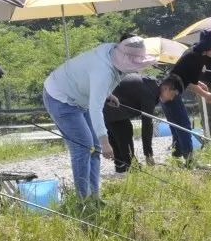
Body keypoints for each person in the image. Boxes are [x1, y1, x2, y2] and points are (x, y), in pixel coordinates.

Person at [44, 37, 158, 202]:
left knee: (94, 147)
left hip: (79, 98)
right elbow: (96, 108)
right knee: (84, 147)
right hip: (60, 98)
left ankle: (95, 197)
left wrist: (106, 94)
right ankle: (83, 200)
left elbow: (91, 80)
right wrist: (106, 142)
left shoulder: (111, 52)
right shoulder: (103, 71)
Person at [162, 29, 211, 162]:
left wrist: (200, 83)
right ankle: (190, 160)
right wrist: (205, 94)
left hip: (167, 90)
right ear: (208, 45)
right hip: (171, 91)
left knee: (176, 125)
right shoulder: (196, 58)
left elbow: (188, 78)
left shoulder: (196, 54)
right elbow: (188, 83)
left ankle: (177, 155)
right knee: (184, 125)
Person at [104, 74, 177, 172]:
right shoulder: (151, 92)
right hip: (111, 103)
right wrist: (148, 154)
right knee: (124, 132)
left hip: (108, 103)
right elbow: (147, 124)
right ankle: (131, 166)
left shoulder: (151, 84)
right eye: (172, 95)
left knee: (117, 133)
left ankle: (121, 166)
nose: (171, 99)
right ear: (166, 88)